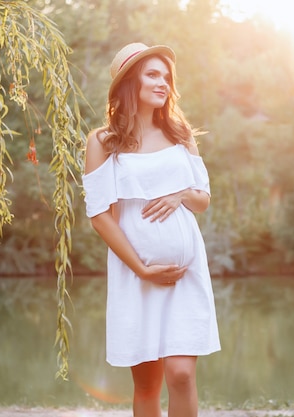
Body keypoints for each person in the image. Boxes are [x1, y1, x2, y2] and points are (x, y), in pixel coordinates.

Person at [81, 42, 221, 417]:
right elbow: (100, 216)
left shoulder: (180, 133)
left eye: (166, 76)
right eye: (152, 74)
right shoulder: (103, 142)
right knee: (146, 386)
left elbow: (203, 198)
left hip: (184, 276)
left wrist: (179, 195)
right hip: (136, 276)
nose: (163, 83)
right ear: (130, 82)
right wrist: (142, 268)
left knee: (180, 374)